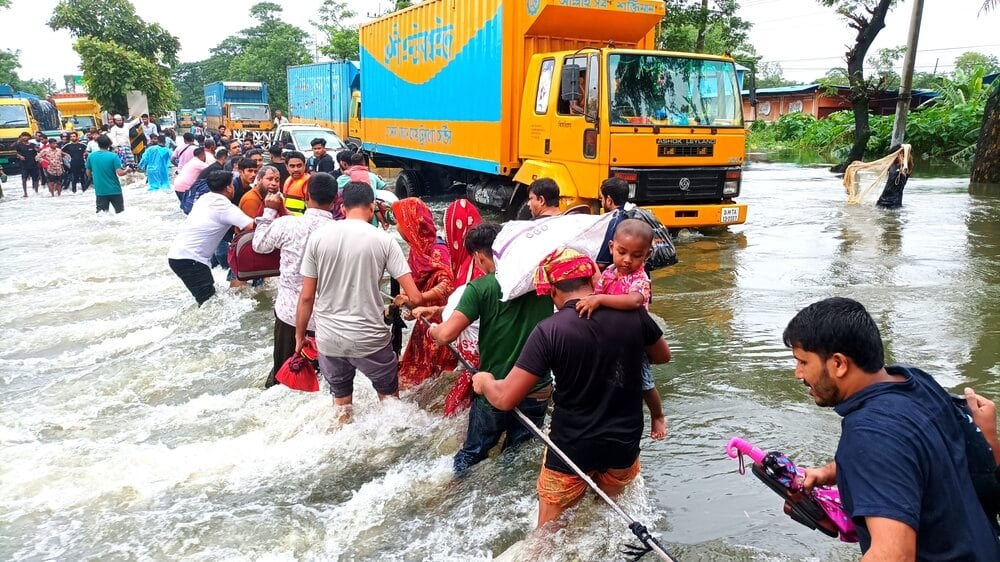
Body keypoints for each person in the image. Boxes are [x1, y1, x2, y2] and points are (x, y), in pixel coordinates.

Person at [786, 297, 1000, 560]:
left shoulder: (869, 434)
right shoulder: (915, 382)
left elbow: (894, 555)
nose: (798, 373)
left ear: (839, 363)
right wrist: (831, 473)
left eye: (803, 362)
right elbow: (911, 451)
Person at [472, 248, 671, 527]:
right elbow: (662, 356)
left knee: (547, 539)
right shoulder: (635, 316)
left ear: (553, 291)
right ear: (593, 280)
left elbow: (505, 399)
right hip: (624, 447)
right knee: (605, 524)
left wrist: (485, 382)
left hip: (571, 450)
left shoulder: (549, 330)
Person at [429, 223, 556, 473]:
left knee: (473, 453)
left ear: (479, 256)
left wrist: (433, 329)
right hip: (537, 389)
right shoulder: (541, 282)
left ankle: (452, 494)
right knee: (517, 458)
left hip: (494, 389)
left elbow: (446, 334)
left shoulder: (480, 288)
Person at [295, 182, 425, 422]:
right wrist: (405, 302)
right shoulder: (384, 241)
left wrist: (299, 336)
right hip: (369, 338)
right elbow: (415, 297)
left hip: (329, 339)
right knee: (391, 408)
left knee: (342, 408)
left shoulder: (318, 238)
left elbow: (306, 297)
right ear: (372, 206)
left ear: (342, 208)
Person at [575, 219, 667, 440]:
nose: (627, 260)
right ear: (611, 248)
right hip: (609, 335)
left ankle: (657, 415)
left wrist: (599, 299)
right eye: (622, 252)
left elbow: (634, 301)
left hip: (634, 339)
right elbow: (595, 296)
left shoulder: (641, 279)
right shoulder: (608, 273)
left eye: (636, 256)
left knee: (645, 382)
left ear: (646, 256)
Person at [253, 172, 339, 388]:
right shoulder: (341, 232)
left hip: (290, 315)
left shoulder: (288, 225)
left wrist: (270, 211)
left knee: (285, 377)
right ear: (336, 199)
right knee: (326, 383)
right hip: (329, 318)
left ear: (306, 194)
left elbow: (259, 245)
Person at [391, 198, 456, 388]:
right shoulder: (416, 249)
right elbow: (412, 282)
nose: (397, 227)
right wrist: (409, 304)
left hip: (440, 319)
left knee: (434, 375)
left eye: (399, 222)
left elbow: (448, 285)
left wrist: (419, 299)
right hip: (423, 319)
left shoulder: (438, 250)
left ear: (411, 224)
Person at [167, 170, 254, 306]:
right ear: (229, 188)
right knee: (209, 304)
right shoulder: (224, 206)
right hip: (191, 260)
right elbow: (252, 226)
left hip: (178, 256)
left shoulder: (205, 198)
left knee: (209, 301)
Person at [86, 134, 131, 213]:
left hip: (100, 191)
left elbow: (88, 173)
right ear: (109, 144)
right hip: (115, 190)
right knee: (120, 214)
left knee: (101, 215)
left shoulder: (91, 156)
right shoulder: (113, 156)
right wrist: (127, 170)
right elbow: (120, 173)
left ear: (98, 144)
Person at [595, 177, 634, 269]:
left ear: (609, 200)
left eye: (602, 199)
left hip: (621, 278)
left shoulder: (615, 220)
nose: (602, 203)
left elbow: (601, 263)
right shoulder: (634, 213)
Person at [282, 151, 310, 216]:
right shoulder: (288, 180)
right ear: (286, 167)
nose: (296, 169)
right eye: (292, 166)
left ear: (304, 165)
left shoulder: (309, 182)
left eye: (299, 166)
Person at [14, 132, 40, 197]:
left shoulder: (33, 145)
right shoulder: (18, 145)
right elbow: (15, 153)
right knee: (24, 179)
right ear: (21, 137)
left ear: (29, 137)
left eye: (26, 136)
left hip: (34, 164)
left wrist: (38, 149)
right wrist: (20, 156)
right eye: (23, 136)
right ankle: (25, 193)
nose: (25, 137)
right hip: (24, 165)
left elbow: (38, 150)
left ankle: (36, 192)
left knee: (36, 179)